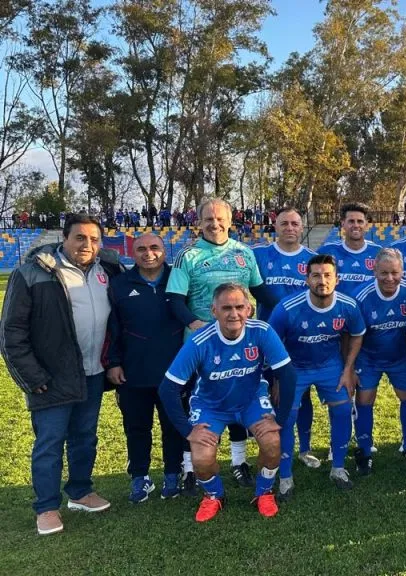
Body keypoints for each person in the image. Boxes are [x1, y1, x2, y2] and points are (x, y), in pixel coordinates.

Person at [1, 213, 124, 535]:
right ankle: (46, 507)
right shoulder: (31, 274)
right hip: (51, 377)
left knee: (85, 437)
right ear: (64, 239)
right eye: (80, 238)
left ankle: (81, 491)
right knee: (50, 442)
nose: (87, 245)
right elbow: (11, 333)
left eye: (94, 239)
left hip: (93, 372)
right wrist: (32, 377)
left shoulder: (108, 270)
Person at [159, 283, 297, 521]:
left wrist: (280, 419)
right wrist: (187, 431)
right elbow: (168, 388)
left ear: (249, 309)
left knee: (273, 442)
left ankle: (264, 492)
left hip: (251, 401)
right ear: (214, 311)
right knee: (201, 457)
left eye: (239, 307)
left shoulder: (262, 332)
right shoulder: (200, 341)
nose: (233, 314)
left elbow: (288, 374)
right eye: (226, 308)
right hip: (210, 406)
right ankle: (214, 495)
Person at [167, 198, 278, 492]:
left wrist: (285, 312)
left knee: (240, 397)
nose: (214, 224)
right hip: (202, 345)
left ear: (230, 221)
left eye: (220, 219)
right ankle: (190, 467)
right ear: (199, 222)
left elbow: (259, 290)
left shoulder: (244, 253)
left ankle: (239, 462)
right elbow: (175, 300)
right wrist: (195, 324)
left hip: (239, 342)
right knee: (198, 406)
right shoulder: (186, 256)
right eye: (208, 219)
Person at [268, 255, 366, 498]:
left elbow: (357, 334)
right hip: (294, 368)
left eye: (327, 275)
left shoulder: (348, 306)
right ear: (307, 279)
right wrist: (278, 380)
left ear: (337, 279)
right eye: (316, 275)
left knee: (343, 411)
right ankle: (286, 477)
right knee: (285, 418)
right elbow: (271, 343)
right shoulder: (287, 309)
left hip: (330, 365)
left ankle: (339, 468)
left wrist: (348, 369)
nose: (322, 281)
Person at [105, 233, 186, 503]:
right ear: (132, 252)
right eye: (141, 248)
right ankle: (140, 477)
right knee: (137, 427)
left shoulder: (179, 277)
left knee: (173, 425)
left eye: (154, 247)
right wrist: (114, 362)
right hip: (133, 371)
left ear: (165, 250)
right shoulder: (119, 284)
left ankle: (173, 474)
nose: (148, 253)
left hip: (174, 370)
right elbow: (113, 327)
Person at [252, 208, 320, 469]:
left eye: (295, 223)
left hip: (303, 339)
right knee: (268, 395)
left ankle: (304, 449)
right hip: (267, 339)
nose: (290, 228)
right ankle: (273, 449)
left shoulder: (313, 259)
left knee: (302, 396)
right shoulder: (259, 255)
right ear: (275, 226)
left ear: (302, 228)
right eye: (284, 223)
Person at [353, 249, 406, 472]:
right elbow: (351, 335)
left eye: (395, 272)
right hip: (369, 357)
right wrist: (350, 367)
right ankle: (364, 449)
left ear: (403, 272)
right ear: (374, 270)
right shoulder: (361, 296)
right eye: (384, 272)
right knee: (364, 400)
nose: (389, 278)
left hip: (401, 357)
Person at [318, 202, 382, 298]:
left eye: (360, 221)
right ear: (343, 223)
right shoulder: (326, 251)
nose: (356, 225)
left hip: (368, 311)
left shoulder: (379, 253)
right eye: (351, 221)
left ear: (366, 224)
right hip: (339, 311)